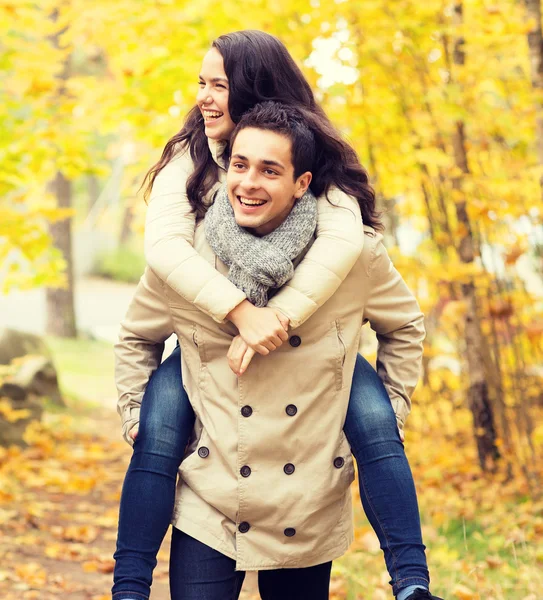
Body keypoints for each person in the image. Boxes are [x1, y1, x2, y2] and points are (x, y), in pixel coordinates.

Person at [112, 32, 440, 600]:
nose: (205, 98)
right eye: (202, 83)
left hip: (301, 478)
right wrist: (237, 313)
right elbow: (158, 269)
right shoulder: (190, 182)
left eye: (219, 85)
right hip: (212, 437)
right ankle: (128, 586)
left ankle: (411, 582)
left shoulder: (329, 194)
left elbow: (350, 257)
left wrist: (281, 317)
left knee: (375, 420)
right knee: (158, 432)